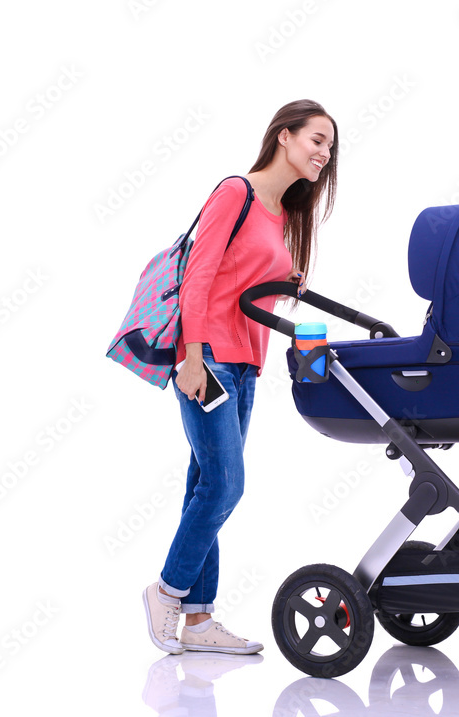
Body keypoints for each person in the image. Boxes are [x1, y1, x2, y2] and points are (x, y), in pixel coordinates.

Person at [143, 99, 337, 655]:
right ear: (284, 136)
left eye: (329, 146)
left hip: (247, 365)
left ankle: (199, 622)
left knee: (204, 486)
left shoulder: (280, 214)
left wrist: (288, 280)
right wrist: (193, 355)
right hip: (211, 361)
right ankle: (167, 592)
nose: (324, 153)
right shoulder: (236, 192)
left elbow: (243, 286)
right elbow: (199, 277)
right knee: (227, 484)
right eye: (316, 140)